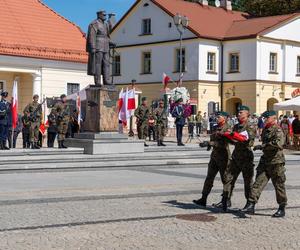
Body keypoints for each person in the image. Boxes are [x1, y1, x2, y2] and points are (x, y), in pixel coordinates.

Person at [242, 111, 287, 217]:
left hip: (276, 162)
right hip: (265, 161)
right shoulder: (266, 129)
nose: (265, 119)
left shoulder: (278, 129)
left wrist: (263, 146)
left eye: (267, 117)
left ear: (273, 118)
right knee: (258, 183)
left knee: (279, 185)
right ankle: (251, 205)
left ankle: (282, 207)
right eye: (264, 117)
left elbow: (279, 144)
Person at [221, 105, 256, 212]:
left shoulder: (250, 126)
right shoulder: (236, 126)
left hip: (246, 157)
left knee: (248, 182)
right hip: (236, 156)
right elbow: (234, 141)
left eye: (241, 112)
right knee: (229, 178)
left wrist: (235, 135)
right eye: (238, 112)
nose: (239, 114)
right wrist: (228, 137)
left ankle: (249, 204)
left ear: (247, 114)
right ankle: (226, 199)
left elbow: (249, 141)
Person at [193, 111, 231, 207]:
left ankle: (226, 200)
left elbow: (223, 144)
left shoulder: (227, 128)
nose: (217, 118)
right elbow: (213, 140)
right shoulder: (216, 127)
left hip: (223, 157)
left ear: (225, 118)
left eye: (219, 117)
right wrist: (207, 145)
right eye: (217, 116)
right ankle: (203, 198)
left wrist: (210, 144)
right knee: (209, 178)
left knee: (225, 179)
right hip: (214, 157)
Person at [86, 10, 115, 85]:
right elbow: (91, 36)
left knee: (106, 64)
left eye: (105, 15)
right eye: (104, 15)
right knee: (98, 64)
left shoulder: (105, 24)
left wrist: (110, 43)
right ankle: (98, 81)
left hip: (106, 46)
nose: (105, 16)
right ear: (99, 15)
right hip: (98, 46)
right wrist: (92, 47)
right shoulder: (94, 24)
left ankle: (106, 81)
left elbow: (107, 36)